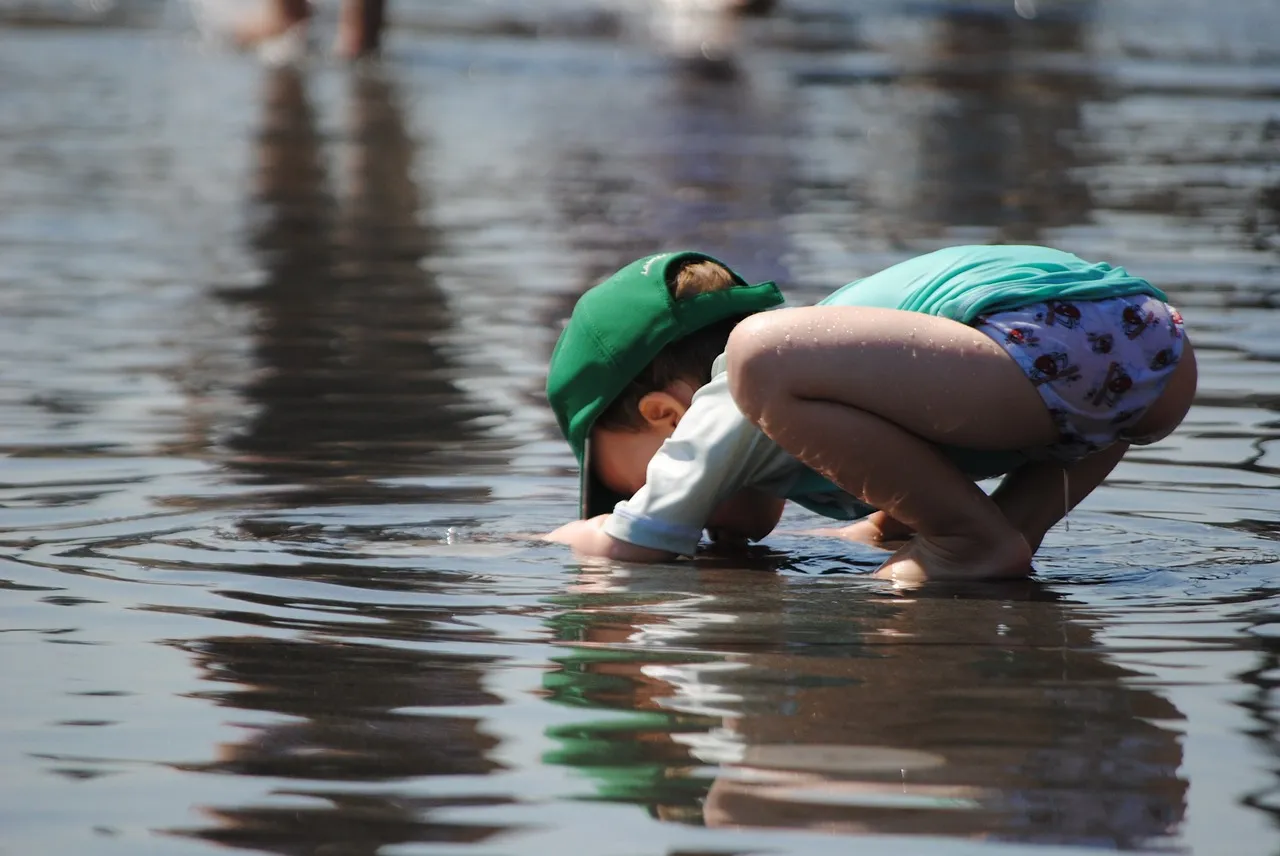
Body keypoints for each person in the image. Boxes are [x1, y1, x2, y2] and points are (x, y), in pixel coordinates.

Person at [543, 246, 1197, 582]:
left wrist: (534, 542)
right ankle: (1000, 533)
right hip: (1155, 354)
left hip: (1045, 340)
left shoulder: (734, 390)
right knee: (925, 520)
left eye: (627, 488)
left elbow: (630, 545)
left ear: (665, 415)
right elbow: (909, 458)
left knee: (757, 358)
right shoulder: (841, 400)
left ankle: (974, 541)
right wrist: (886, 527)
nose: (641, 499)